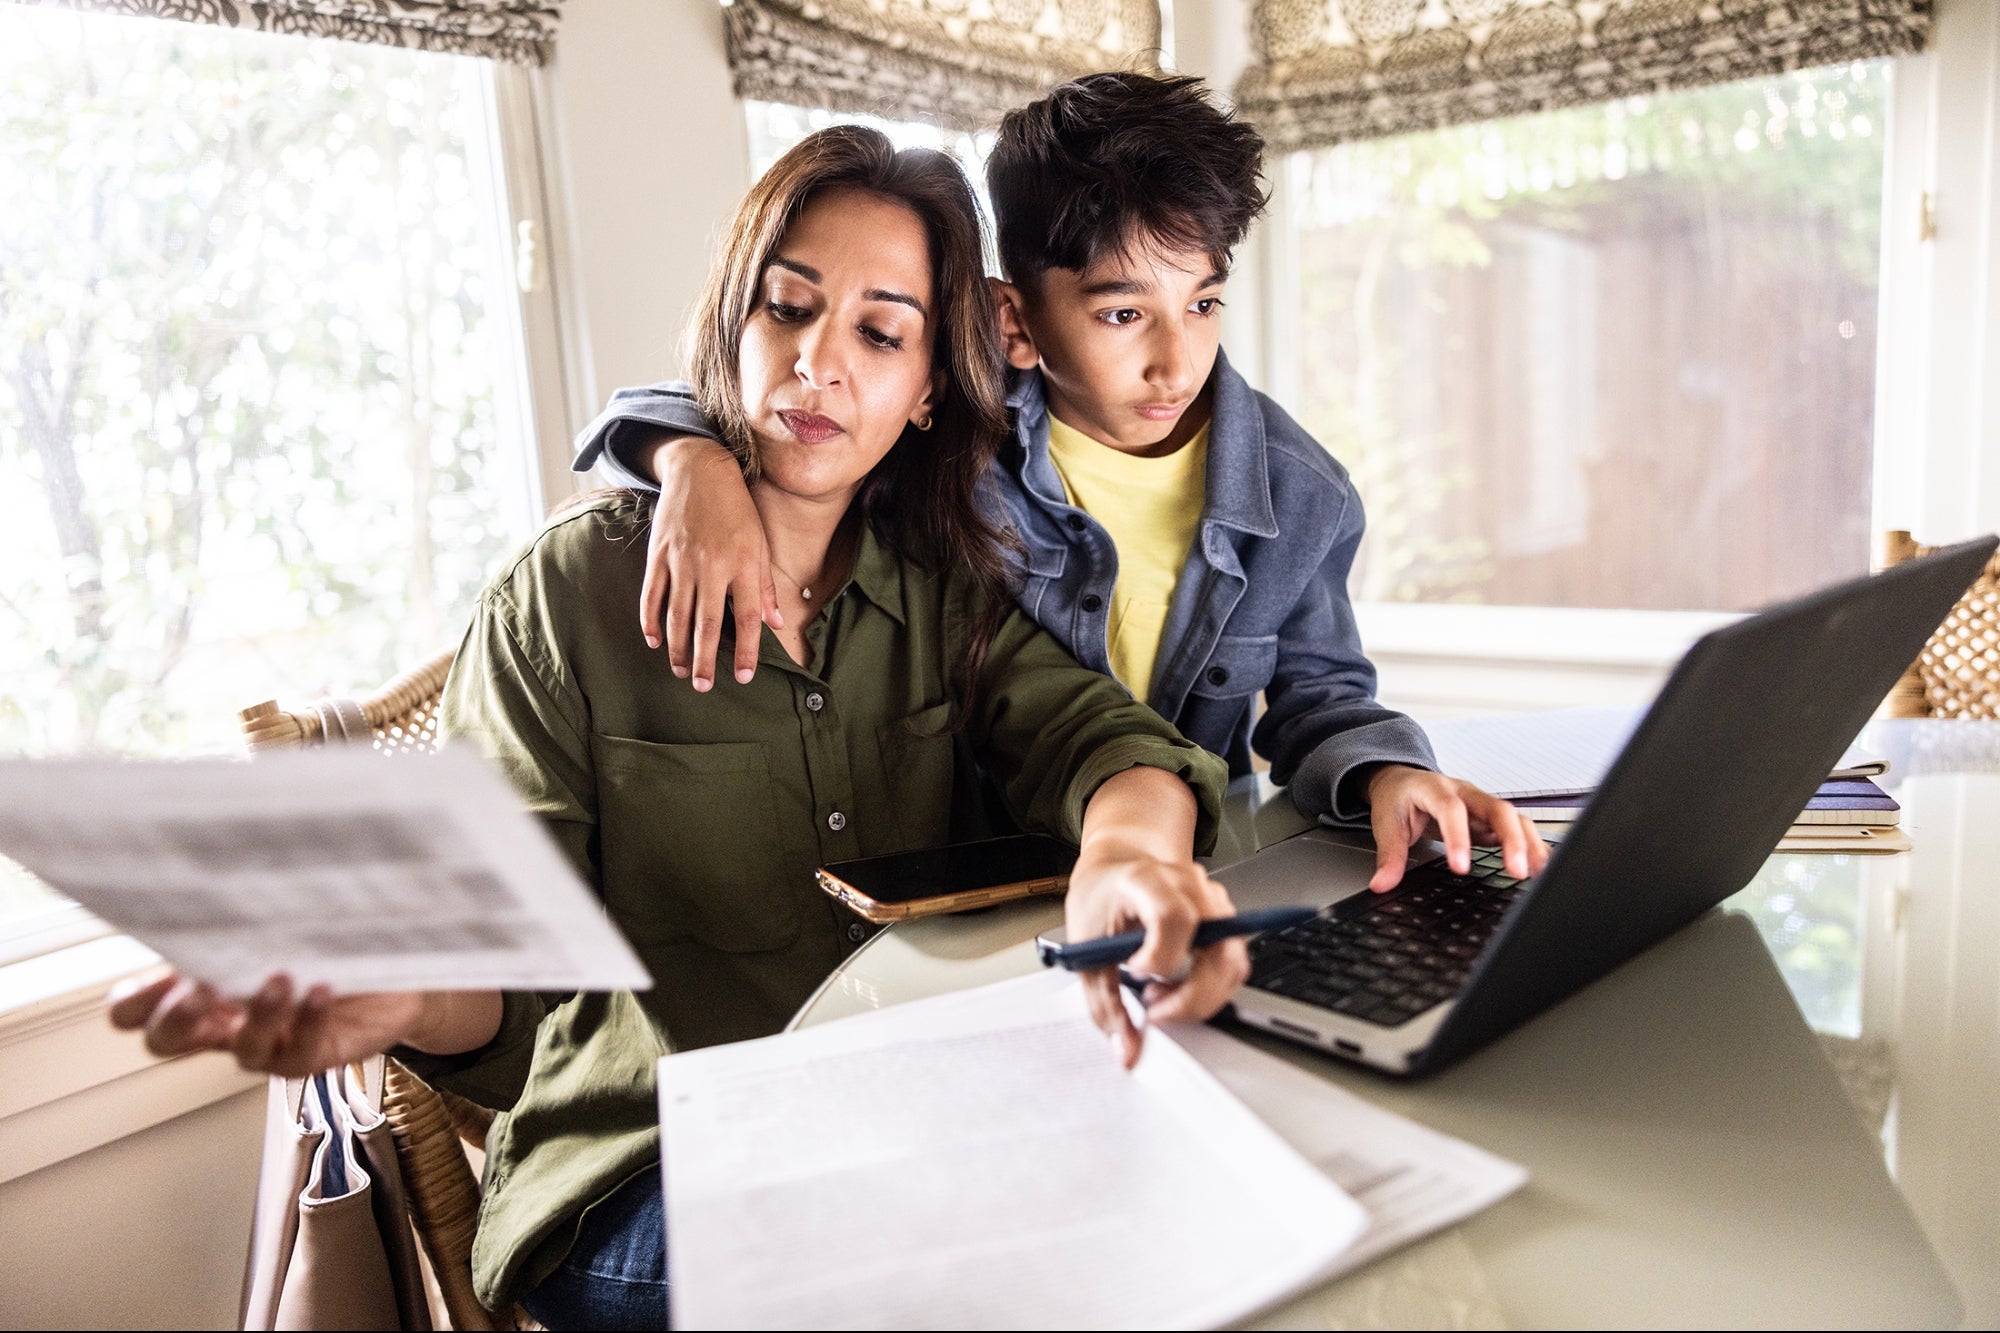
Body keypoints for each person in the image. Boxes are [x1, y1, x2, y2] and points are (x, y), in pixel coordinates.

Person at [109, 125, 1246, 1328]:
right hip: (639, 1168)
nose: (817, 362)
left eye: (879, 333)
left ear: (925, 390)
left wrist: (1132, 855)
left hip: (901, 1121)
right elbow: (509, 966)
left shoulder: (940, 586)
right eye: (785, 310)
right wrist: (399, 993)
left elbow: (1097, 742)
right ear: (730, 329)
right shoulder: (564, 597)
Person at [576, 72, 1549, 893]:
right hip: (971, 890)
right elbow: (784, 404)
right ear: (1014, 321)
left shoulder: (1302, 498)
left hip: (1176, 874)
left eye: (1202, 302)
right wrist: (692, 461)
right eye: (1123, 314)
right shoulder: (956, 430)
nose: (1176, 361)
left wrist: (1387, 772)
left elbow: (1322, 695)